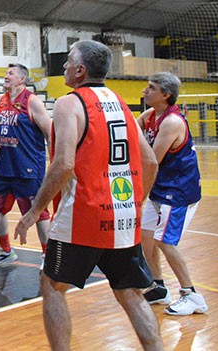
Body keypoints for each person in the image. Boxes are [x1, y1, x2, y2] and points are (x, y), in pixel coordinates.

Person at [14, 40, 161, 351]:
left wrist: (33, 212)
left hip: (82, 215)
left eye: (69, 62)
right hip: (122, 216)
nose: (65, 67)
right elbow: (150, 161)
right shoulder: (120, 102)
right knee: (131, 293)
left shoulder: (70, 103)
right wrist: (137, 202)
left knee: (53, 286)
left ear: (80, 71)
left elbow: (64, 163)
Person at [137, 72, 207, 315]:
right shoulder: (150, 116)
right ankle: (158, 287)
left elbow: (151, 161)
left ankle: (191, 294)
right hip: (161, 188)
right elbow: (130, 131)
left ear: (165, 95)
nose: (145, 91)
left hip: (178, 191)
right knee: (145, 236)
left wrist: (138, 192)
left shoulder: (172, 122)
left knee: (164, 240)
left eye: (151, 87)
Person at [0, 63, 52, 266]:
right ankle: (6, 251)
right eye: (5, 72)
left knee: (37, 213)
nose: (6, 76)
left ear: (22, 79)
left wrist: (54, 161)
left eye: (10, 73)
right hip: (4, 166)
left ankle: (47, 256)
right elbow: (2, 124)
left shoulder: (32, 102)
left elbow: (49, 132)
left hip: (28, 167)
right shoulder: (3, 100)